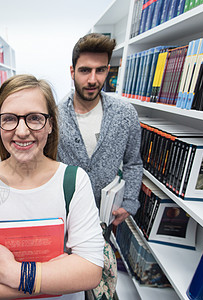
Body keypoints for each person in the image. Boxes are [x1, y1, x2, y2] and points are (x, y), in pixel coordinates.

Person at [0, 74, 104, 300]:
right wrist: (51, 281)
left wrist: (14, 274)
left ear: (50, 124)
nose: (22, 131)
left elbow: (90, 270)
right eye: (10, 119)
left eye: (34, 118)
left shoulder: (73, 181)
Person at [58, 33, 143, 227]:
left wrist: (129, 203)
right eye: (85, 70)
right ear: (72, 72)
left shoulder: (125, 114)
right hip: (64, 215)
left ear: (108, 70)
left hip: (106, 216)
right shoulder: (54, 115)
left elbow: (133, 162)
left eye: (100, 70)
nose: (93, 79)